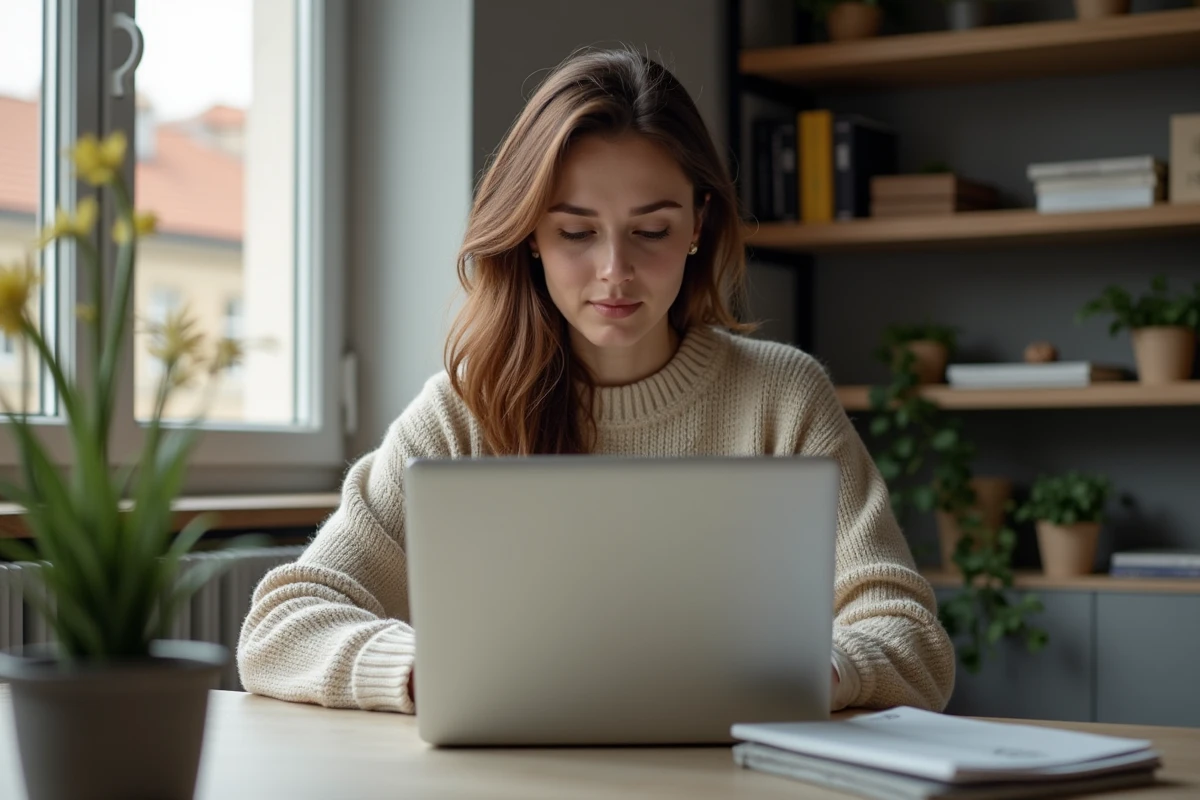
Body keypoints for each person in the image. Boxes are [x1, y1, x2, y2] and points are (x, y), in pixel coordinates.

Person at [237, 47, 955, 715]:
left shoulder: (783, 399)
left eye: (651, 231)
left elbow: (913, 641)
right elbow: (278, 627)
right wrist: (432, 669)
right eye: (577, 232)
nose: (615, 271)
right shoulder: (463, 411)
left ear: (698, 224)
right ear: (531, 235)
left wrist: (812, 672)